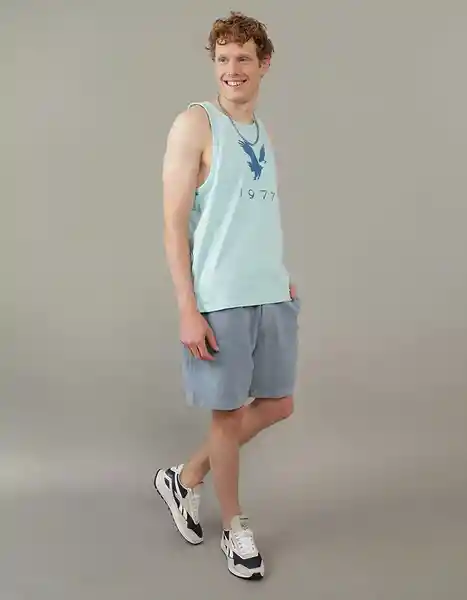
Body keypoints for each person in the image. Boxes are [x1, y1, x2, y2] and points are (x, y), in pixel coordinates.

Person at [154, 11, 300, 580]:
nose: (232, 69)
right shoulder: (195, 124)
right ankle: (235, 528)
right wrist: (187, 309)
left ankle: (185, 477)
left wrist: (278, 275)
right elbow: (173, 224)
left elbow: (254, 219)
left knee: (279, 403)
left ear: (264, 63)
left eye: (243, 58)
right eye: (222, 59)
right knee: (228, 415)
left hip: (269, 291)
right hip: (220, 299)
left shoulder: (263, 131)